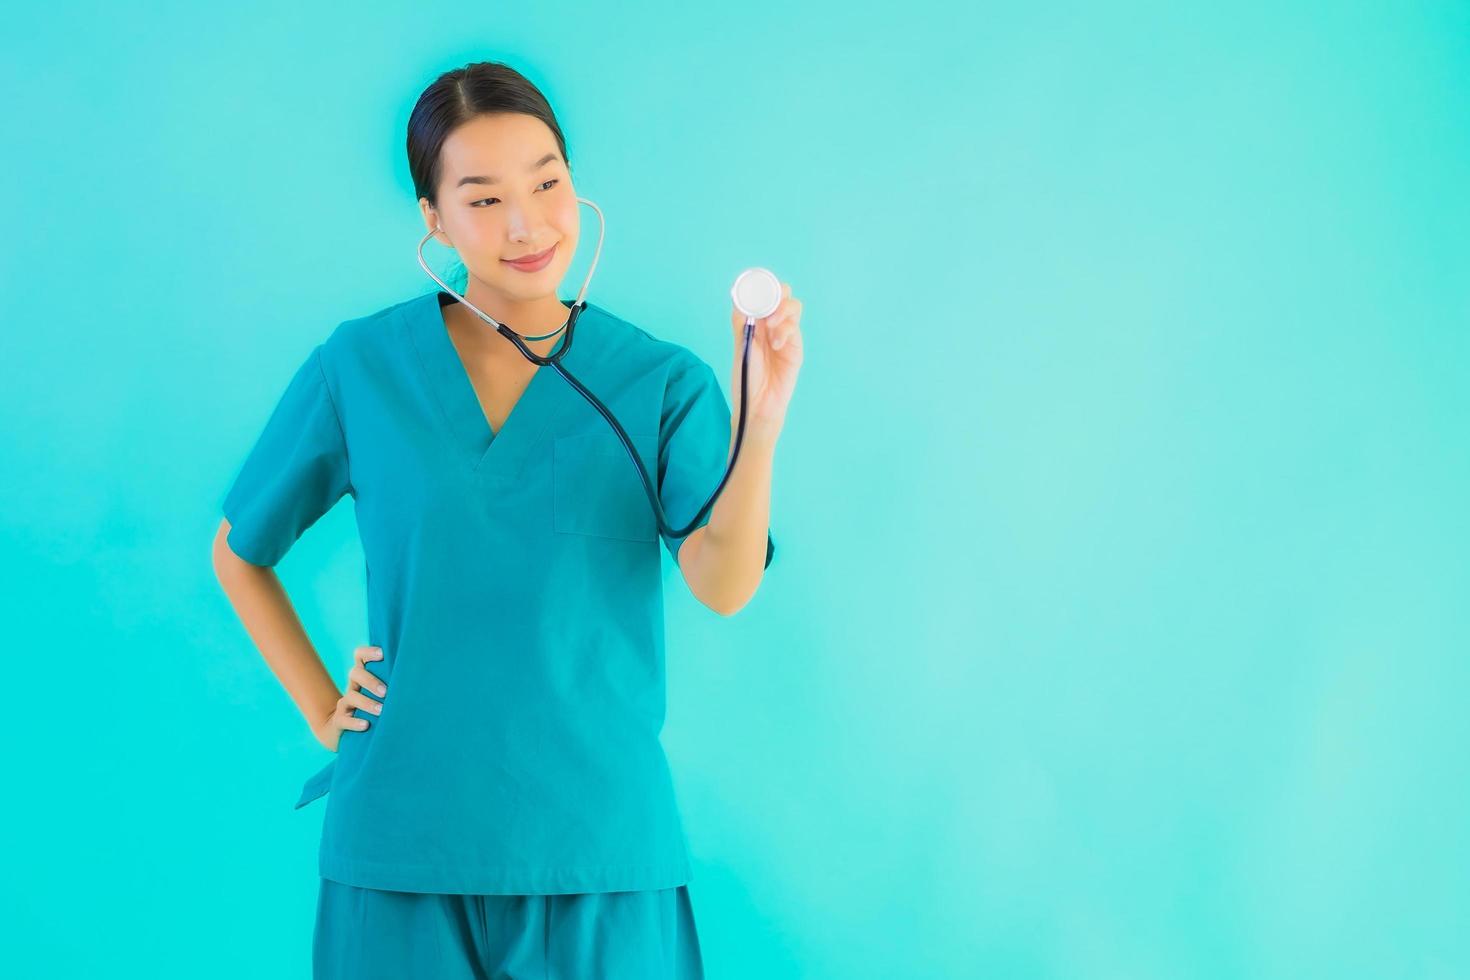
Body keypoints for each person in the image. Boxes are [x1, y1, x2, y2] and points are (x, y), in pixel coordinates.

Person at [211, 60, 804, 979]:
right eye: (482, 199)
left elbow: (724, 586)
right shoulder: (361, 368)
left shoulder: (661, 383)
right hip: (398, 852)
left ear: (576, 183)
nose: (527, 223)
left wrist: (761, 424)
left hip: (600, 857)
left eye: (547, 182)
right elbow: (240, 551)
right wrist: (327, 709)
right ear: (433, 220)